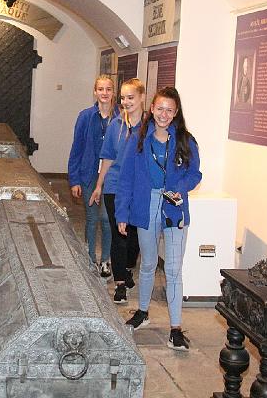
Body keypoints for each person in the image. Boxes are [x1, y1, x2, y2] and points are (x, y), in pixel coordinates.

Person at [116, 86, 202, 352]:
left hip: (174, 208)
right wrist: (122, 213)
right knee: (148, 263)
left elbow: (195, 174)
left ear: (176, 113)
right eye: (160, 108)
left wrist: (181, 188)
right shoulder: (138, 140)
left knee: (173, 269)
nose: (164, 114)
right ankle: (143, 312)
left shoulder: (186, 141)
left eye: (169, 110)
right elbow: (125, 179)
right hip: (147, 205)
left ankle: (175, 328)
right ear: (152, 108)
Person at [90, 78, 145, 303]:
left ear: (142, 97)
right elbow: (108, 158)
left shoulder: (149, 127)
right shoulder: (116, 125)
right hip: (115, 186)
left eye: (131, 97)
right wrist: (99, 185)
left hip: (139, 189)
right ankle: (120, 283)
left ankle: (128, 268)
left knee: (134, 237)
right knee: (118, 234)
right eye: (123, 98)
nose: (126, 102)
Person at [67, 75, 118, 276]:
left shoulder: (120, 117)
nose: (105, 93)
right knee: (92, 218)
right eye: (101, 89)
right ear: (95, 92)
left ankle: (105, 260)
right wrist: (74, 179)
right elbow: (76, 149)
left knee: (106, 218)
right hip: (88, 174)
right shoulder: (85, 117)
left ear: (113, 92)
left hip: (111, 176)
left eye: (108, 89)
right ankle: (90, 259)